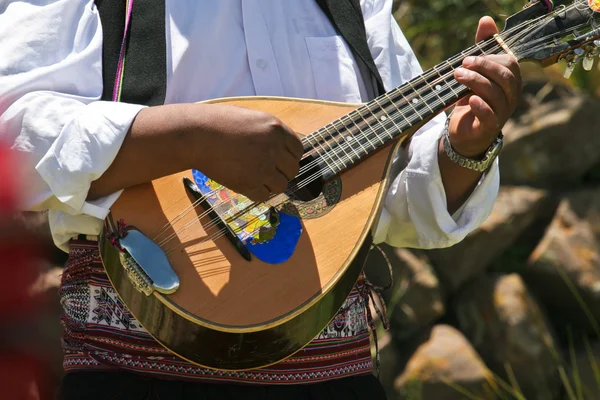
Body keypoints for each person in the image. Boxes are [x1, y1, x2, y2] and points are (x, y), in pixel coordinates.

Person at [0, 0, 521, 398]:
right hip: (132, 366)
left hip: (333, 373)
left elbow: (398, 194)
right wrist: (191, 137)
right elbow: (14, 132)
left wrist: (464, 149)